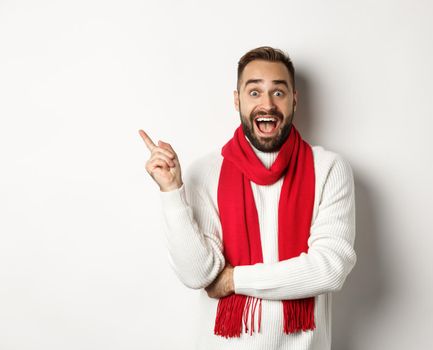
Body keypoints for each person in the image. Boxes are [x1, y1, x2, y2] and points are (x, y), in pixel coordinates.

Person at [139, 46, 357, 349]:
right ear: (237, 99)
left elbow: (330, 268)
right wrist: (172, 192)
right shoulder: (206, 171)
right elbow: (197, 274)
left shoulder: (329, 169)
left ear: (294, 99)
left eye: (278, 93)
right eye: (254, 92)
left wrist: (233, 281)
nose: (267, 104)